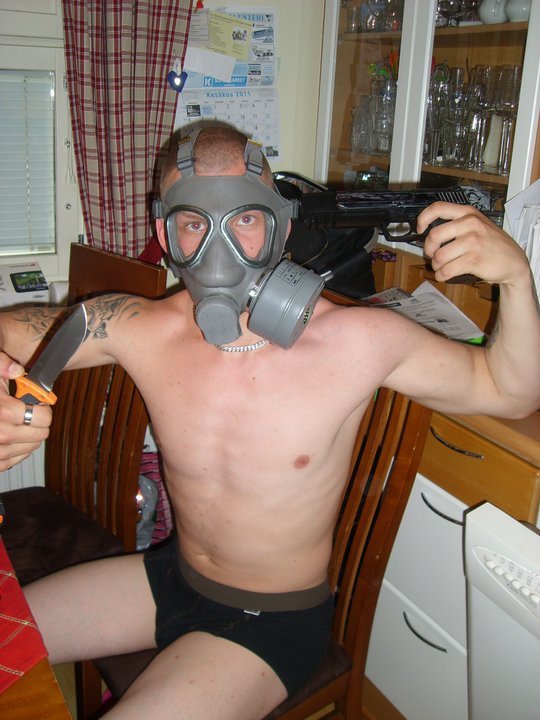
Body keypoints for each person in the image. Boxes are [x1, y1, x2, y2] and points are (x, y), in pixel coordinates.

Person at [0, 125, 538, 720]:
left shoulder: (358, 342)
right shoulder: (139, 327)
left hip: (273, 623)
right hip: (171, 577)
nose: (220, 247)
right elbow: (11, 332)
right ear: (165, 233)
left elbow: (510, 391)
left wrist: (517, 277)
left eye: (245, 219)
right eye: (194, 222)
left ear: (281, 226)